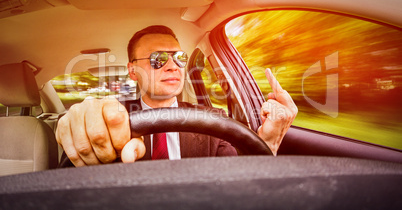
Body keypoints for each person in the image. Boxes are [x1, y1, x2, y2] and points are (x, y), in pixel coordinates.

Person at [56, 25, 298, 167]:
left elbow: (238, 184)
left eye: (179, 57)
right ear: (132, 71)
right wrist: (81, 122)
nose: (173, 66)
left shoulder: (215, 120)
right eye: (158, 59)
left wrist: (268, 144)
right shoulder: (111, 119)